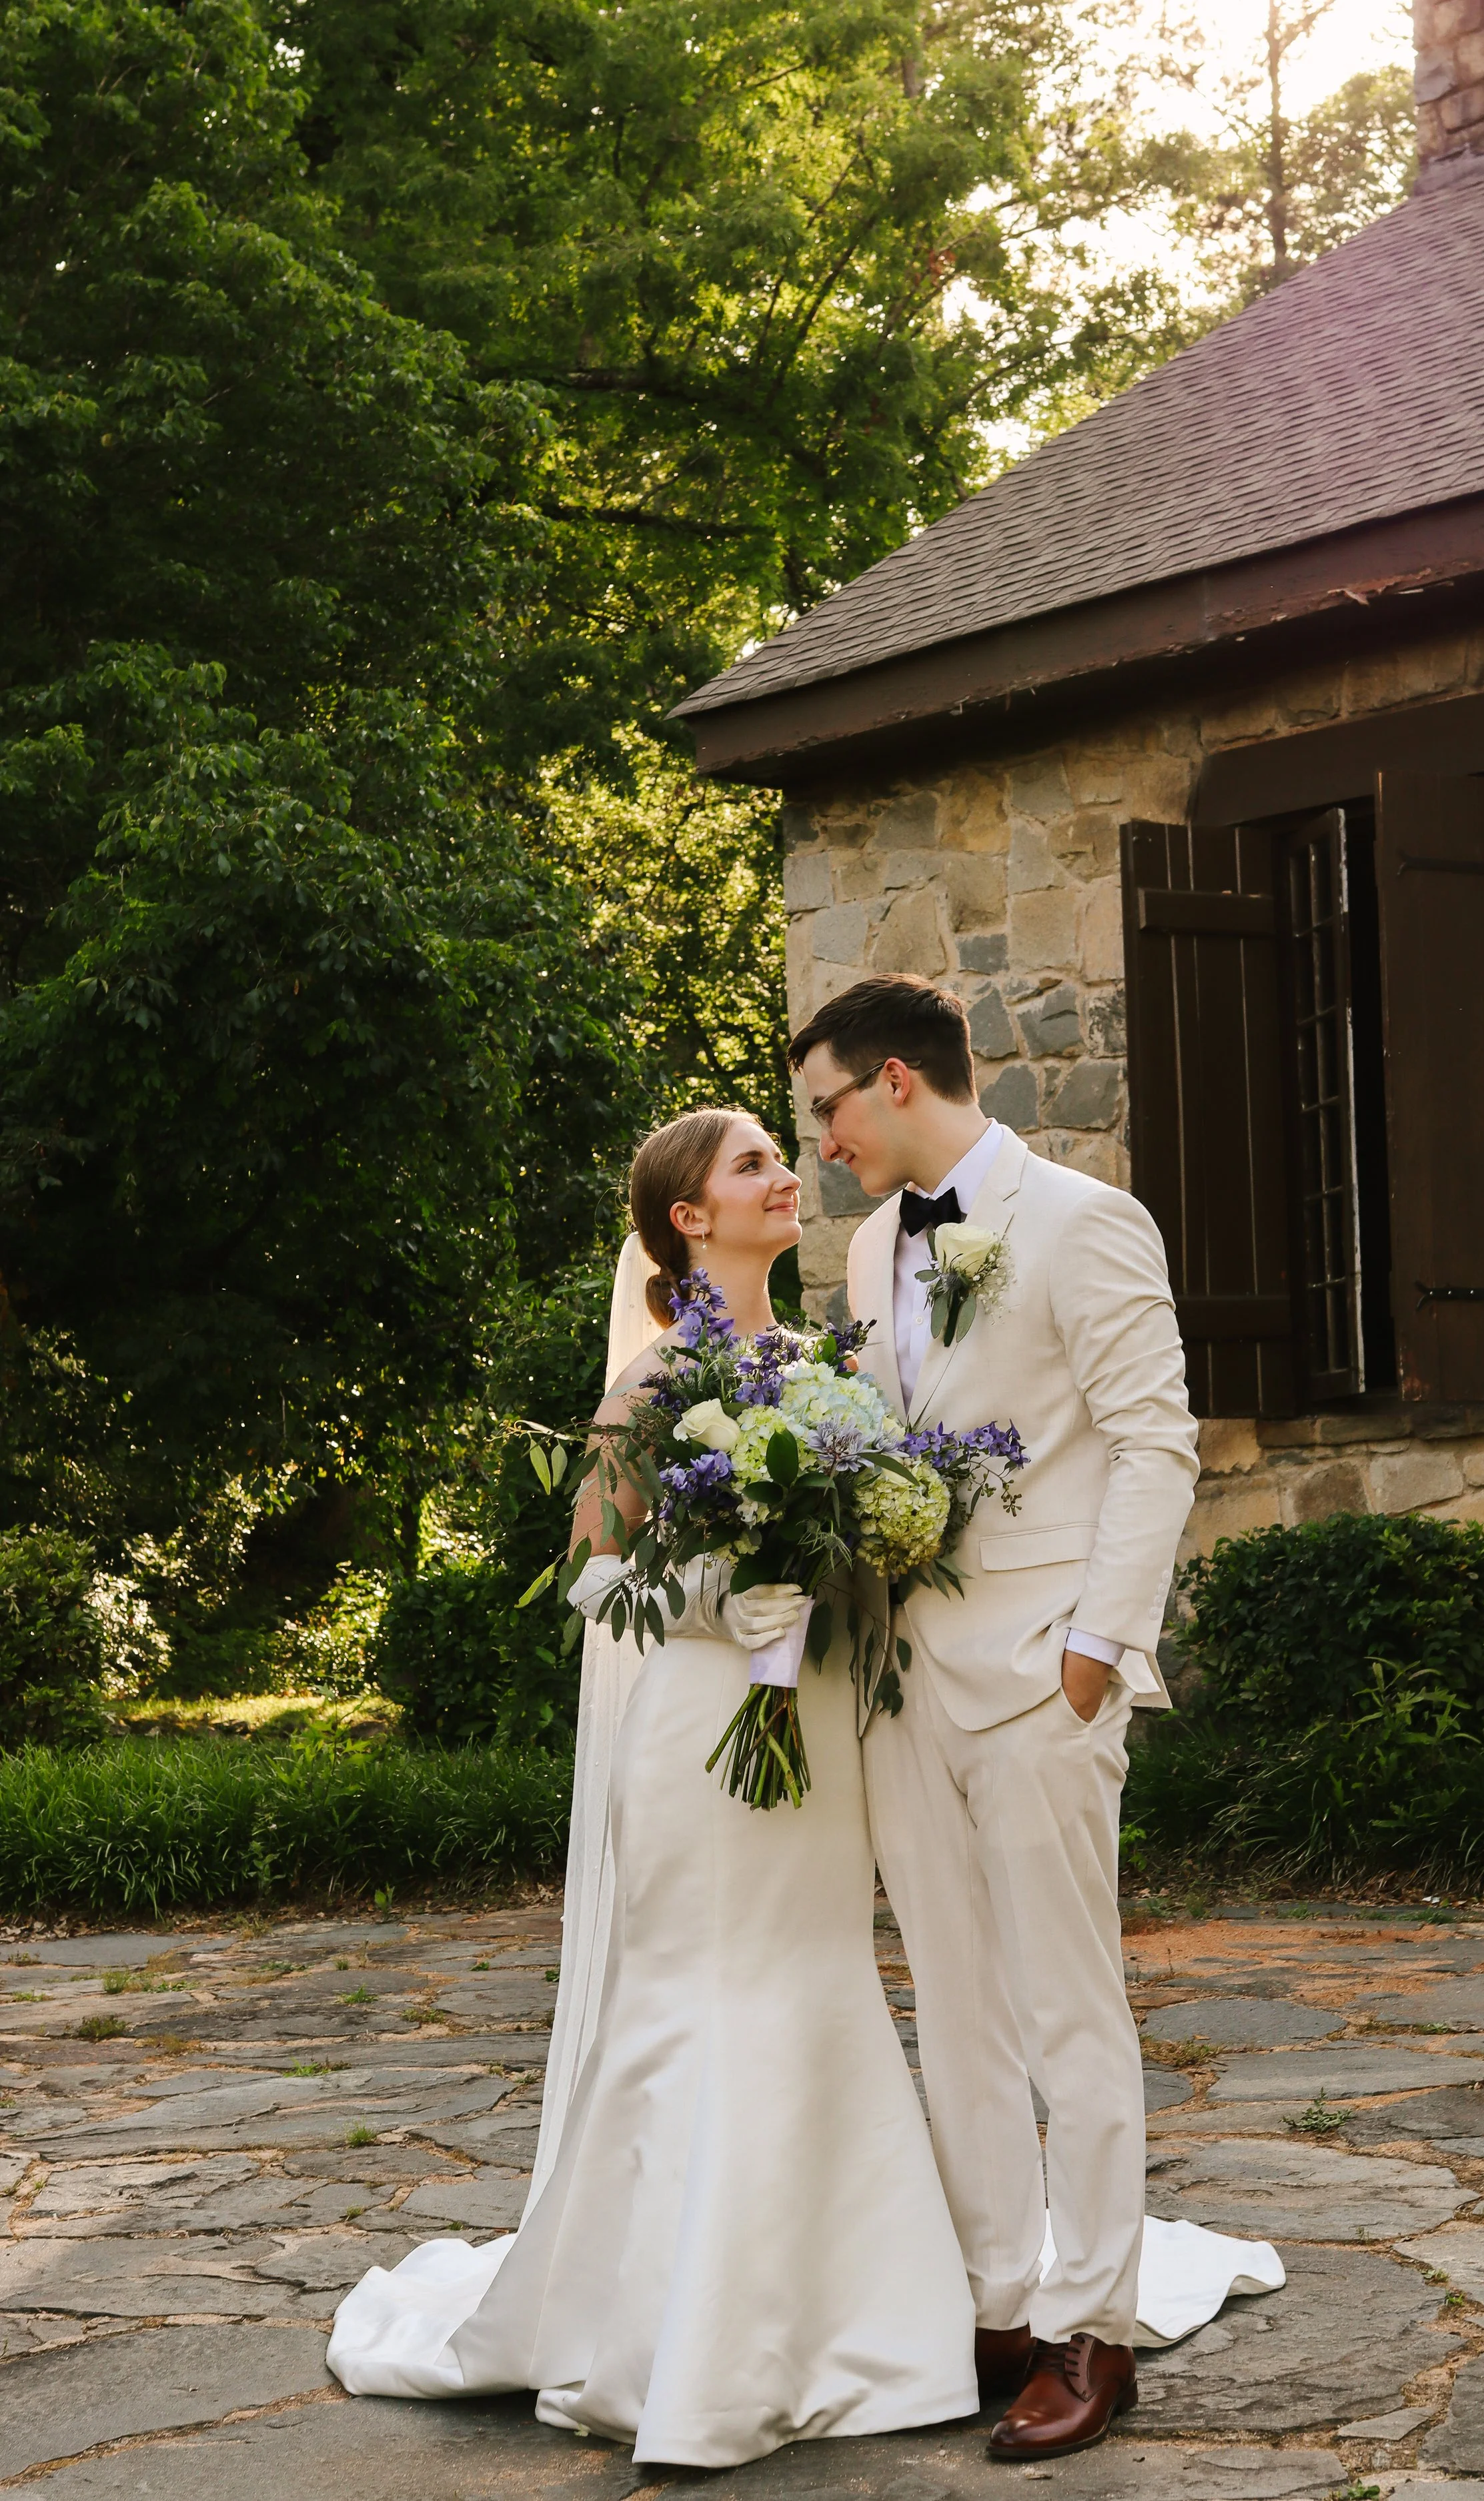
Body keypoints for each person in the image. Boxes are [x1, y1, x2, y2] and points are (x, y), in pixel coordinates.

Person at [325, 1106, 978, 2466]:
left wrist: (849, 1569)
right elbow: (596, 1580)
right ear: (687, 1217)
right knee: (707, 1991)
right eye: (749, 1166)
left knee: (813, 1979)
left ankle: (845, 2311)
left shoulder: (820, 1372)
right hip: (696, 1725)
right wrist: (715, 1599)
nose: (780, 1177)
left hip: (808, 1727)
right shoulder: (648, 1386)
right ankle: (677, 2331)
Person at [790, 974, 1200, 2463]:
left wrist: (1092, 1656)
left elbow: (1155, 1445)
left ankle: (1097, 2328)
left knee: (1061, 2008)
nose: (821, 1140)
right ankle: (998, 2302)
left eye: (827, 1107)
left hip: (1037, 1674)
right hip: (901, 1687)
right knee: (950, 2006)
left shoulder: (1082, 1221)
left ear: (894, 1080)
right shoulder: (858, 1251)